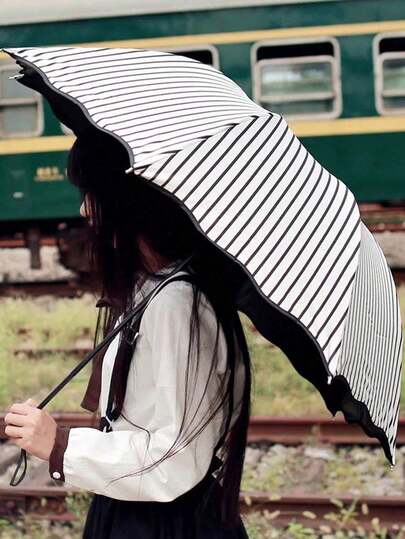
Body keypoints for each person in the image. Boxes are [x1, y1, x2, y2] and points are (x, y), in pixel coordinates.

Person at [4, 130, 252, 538]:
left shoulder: (177, 305)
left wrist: (60, 445)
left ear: (129, 201)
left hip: (163, 523)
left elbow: (174, 460)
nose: (84, 210)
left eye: (92, 194)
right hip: (136, 510)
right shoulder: (151, 289)